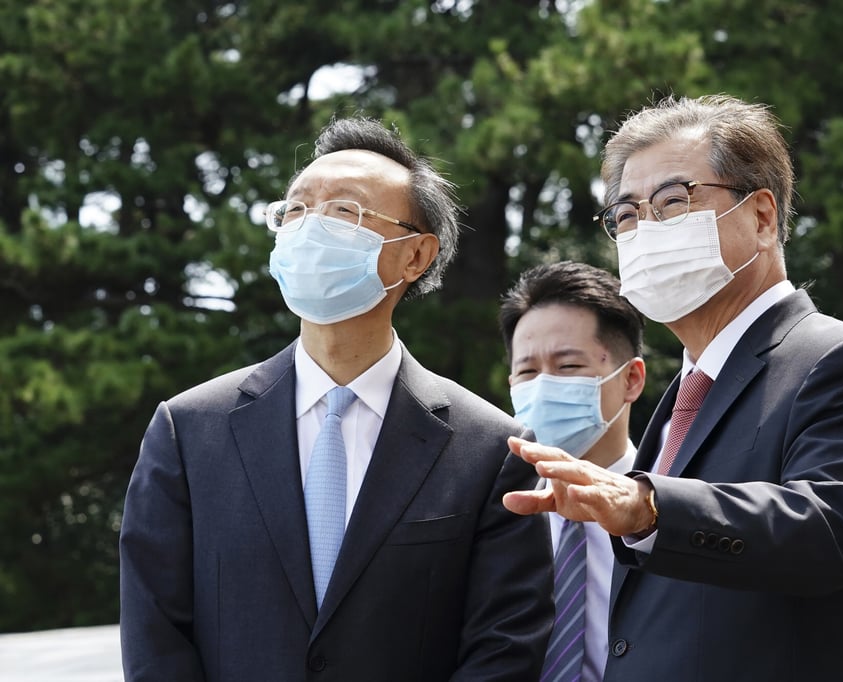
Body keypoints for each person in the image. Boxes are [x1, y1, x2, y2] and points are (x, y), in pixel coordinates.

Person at [503, 94, 843, 680]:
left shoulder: (842, 361)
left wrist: (648, 506)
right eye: (626, 215)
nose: (644, 230)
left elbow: (835, 526)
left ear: (761, 217)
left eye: (673, 202)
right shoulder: (682, 398)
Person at [119, 115, 553, 681]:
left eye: (344, 212)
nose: (309, 229)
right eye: (294, 210)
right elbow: (156, 635)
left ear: (415, 256)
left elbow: (504, 647)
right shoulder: (189, 429)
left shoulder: (491, 449)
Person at [498, 261, 646, 682]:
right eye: (527, 372)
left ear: (631, 379)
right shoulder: (493, 512)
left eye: (568, 367)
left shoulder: (670, 510)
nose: (543, 386)